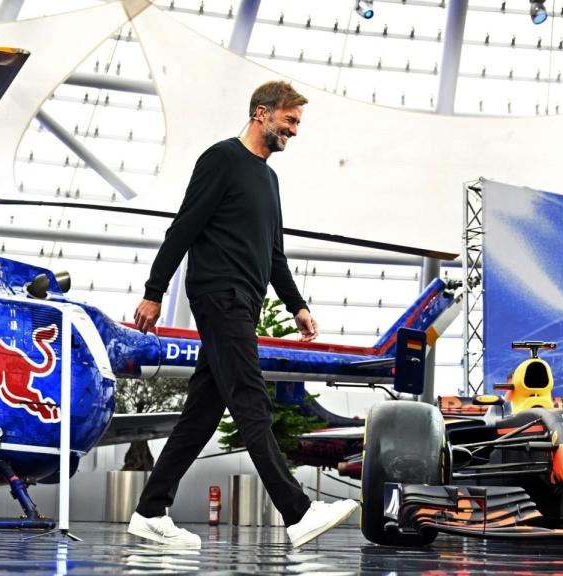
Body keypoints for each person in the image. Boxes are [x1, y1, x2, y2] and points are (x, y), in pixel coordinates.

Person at [127, 81, 359, 548]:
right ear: (262, 113)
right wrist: (155, 291)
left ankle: (150, 510)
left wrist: (297, 305)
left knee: (202, 415)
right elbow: (184, 227)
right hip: (219, 295)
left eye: (297, 124)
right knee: (251, 399)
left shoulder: (268, 179)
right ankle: (298, 512)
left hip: (245, 304)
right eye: (289, 121)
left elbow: (274, 253)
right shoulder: (222, 160)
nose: (294, 131)